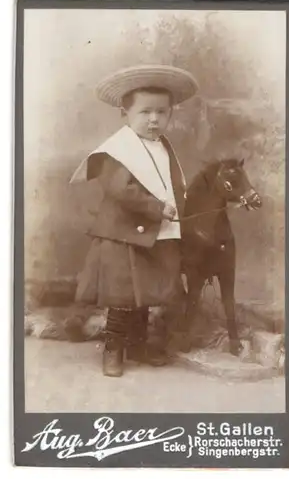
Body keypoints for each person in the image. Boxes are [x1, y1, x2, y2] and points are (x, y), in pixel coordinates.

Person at [69, 64, 198, 377]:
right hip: (125, 234)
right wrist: (157, 208)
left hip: (156, 233)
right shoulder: (117, 149)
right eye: (145, 112)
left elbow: (172, 184)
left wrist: (181, 210)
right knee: (124, 295)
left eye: (162, 112)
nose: (154, 119)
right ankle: (114, 348)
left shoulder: (164, 147)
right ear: (124, 113)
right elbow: (120, 189)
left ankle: (138, 344)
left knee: (146, 294)